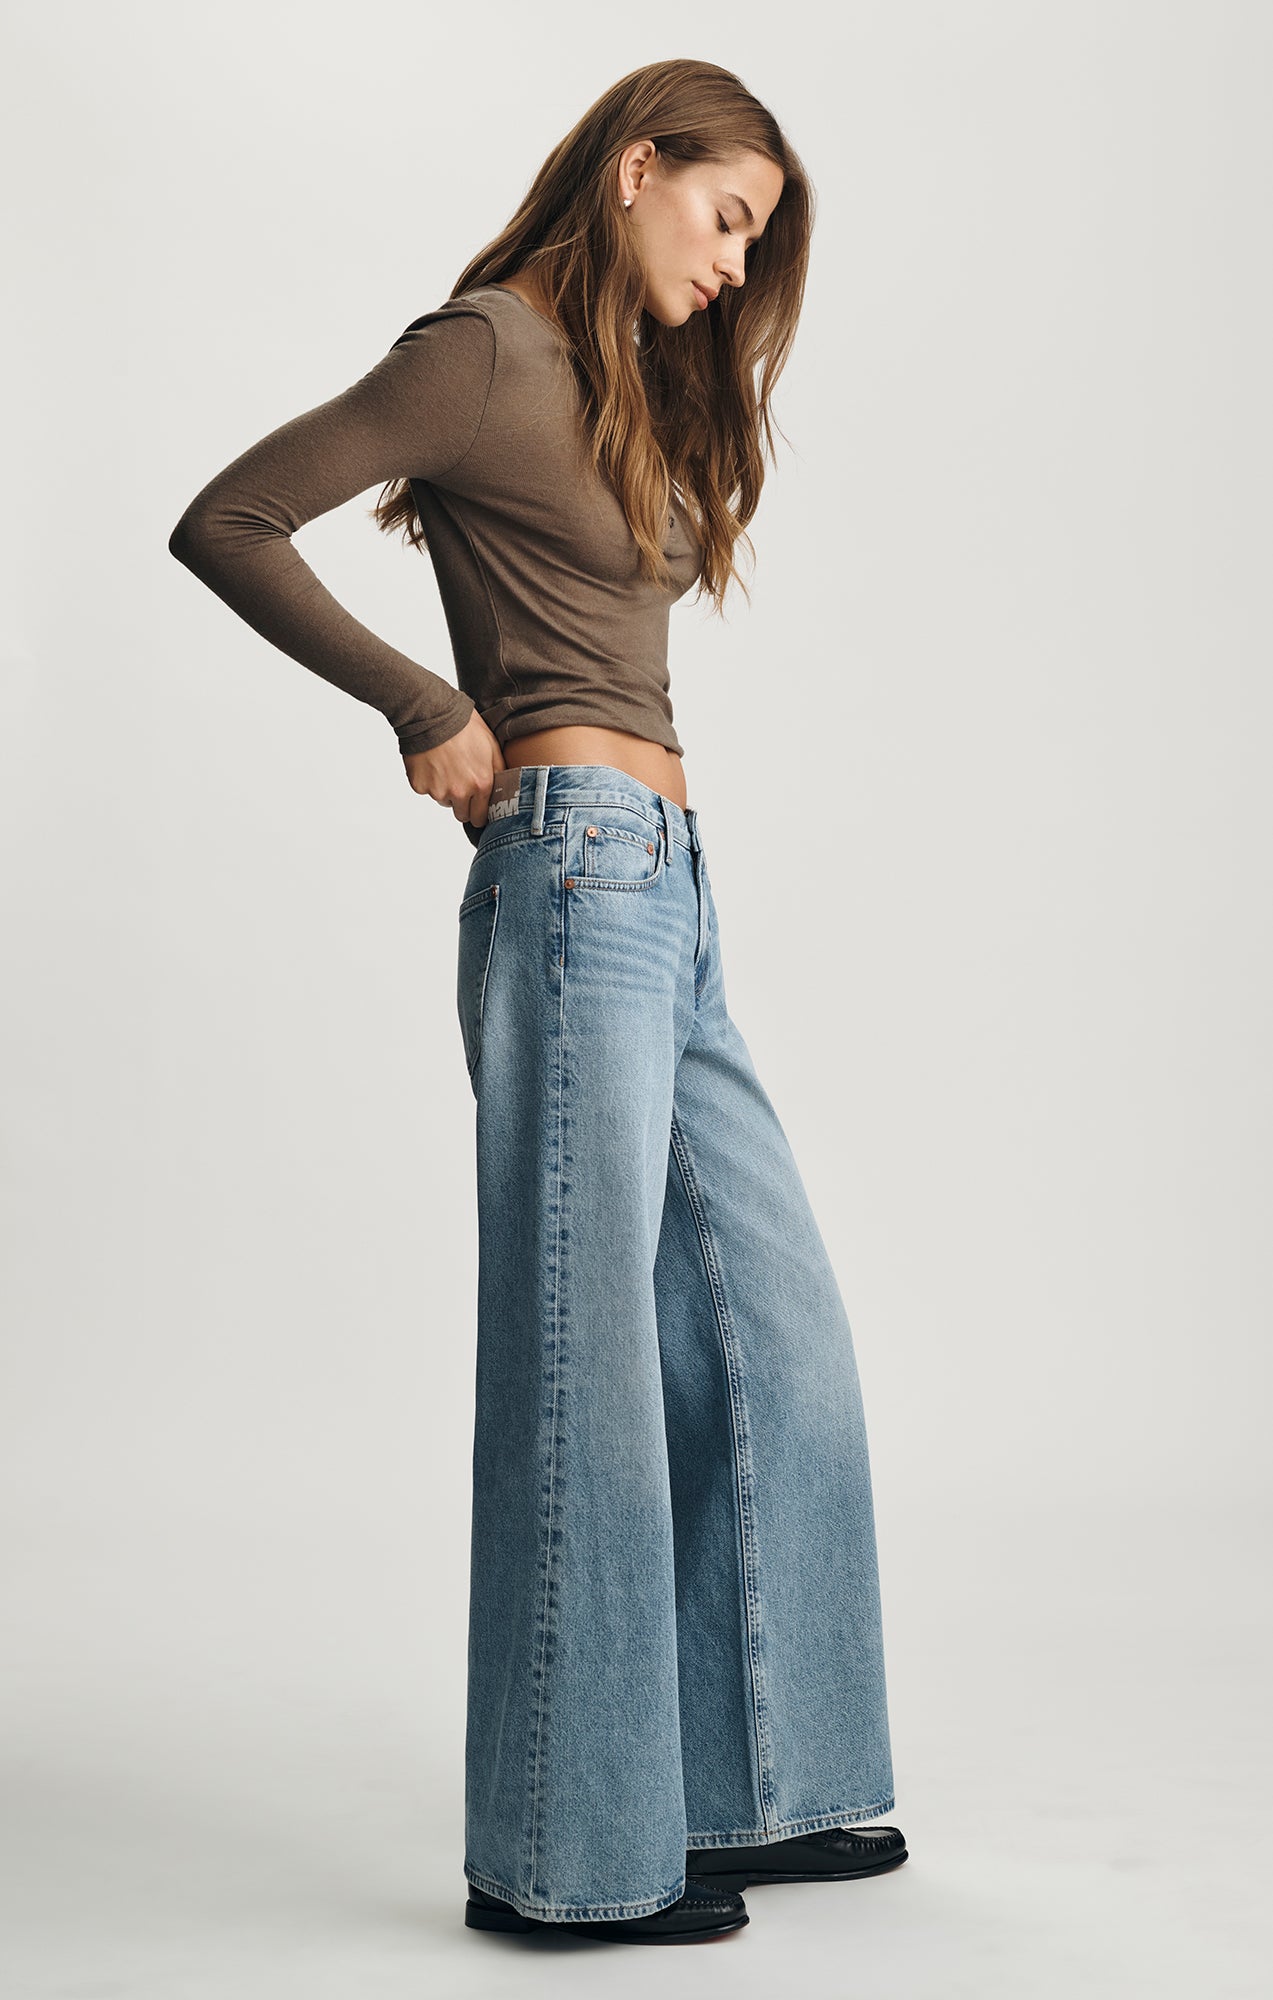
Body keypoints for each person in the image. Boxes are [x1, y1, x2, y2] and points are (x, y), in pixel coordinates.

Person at [168, 57, 907, 1947]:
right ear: (635, 165)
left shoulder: (626, 380)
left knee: (770, 1339)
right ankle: (568, 1866)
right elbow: (231, 518)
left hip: (668, 889)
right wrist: (424, 706)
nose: (733, 266)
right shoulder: (482, 349)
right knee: (586, 1370)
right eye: (725, 218)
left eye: (754, 243)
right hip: (573, 875)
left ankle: (748, 1789)